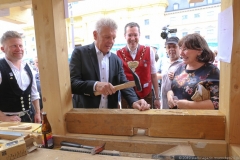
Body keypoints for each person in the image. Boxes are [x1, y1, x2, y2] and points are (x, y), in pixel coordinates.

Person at [70, 18, 150, 111]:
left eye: (113, 38)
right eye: (107, 37)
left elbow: (124, 84)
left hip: (110, 115)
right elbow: (72, 84)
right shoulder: (79, 53)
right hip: (85, 114)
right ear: (95, 35)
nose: (111, 41)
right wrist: (96, 85)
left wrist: (134, 101)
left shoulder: (116, 60)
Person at [167, 33, 220, 109]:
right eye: (180, 48)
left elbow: (217, 103)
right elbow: (173, 89)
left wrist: (188, 105)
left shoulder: (212, 71)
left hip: (197, 119)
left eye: (185, 49)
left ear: (199, 51)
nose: (181, 53)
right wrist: (169, 95)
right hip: (177, 118)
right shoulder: (181, 68)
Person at [117, 22, 160, 109]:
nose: (133, 38)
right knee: (129, 121)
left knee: (147, 121)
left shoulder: (149, 51)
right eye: (129, 35)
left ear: (139, 35)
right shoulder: (118, 54)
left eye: (135, 35)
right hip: (127, 96)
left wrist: (157, 98)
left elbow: (153, 75)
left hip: (146, 94)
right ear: (125, 36)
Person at [0, 31, 41, 122]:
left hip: (29, 117)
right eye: (14, 46)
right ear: (3, 49)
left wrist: (37, 113)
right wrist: (3, 118)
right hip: (5, 122)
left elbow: (34, 93)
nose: (19, 49)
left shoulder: (28, 67)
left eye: (20, 45)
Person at [157, 37, 182, 109]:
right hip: (164, 97)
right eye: (169, 47)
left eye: (174, 46)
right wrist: (164, 75)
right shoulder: (162, 61)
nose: (171, 49)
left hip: (178, 98)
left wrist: (176, 77)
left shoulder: (183, 63)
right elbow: (154, 75)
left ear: (179, 48)